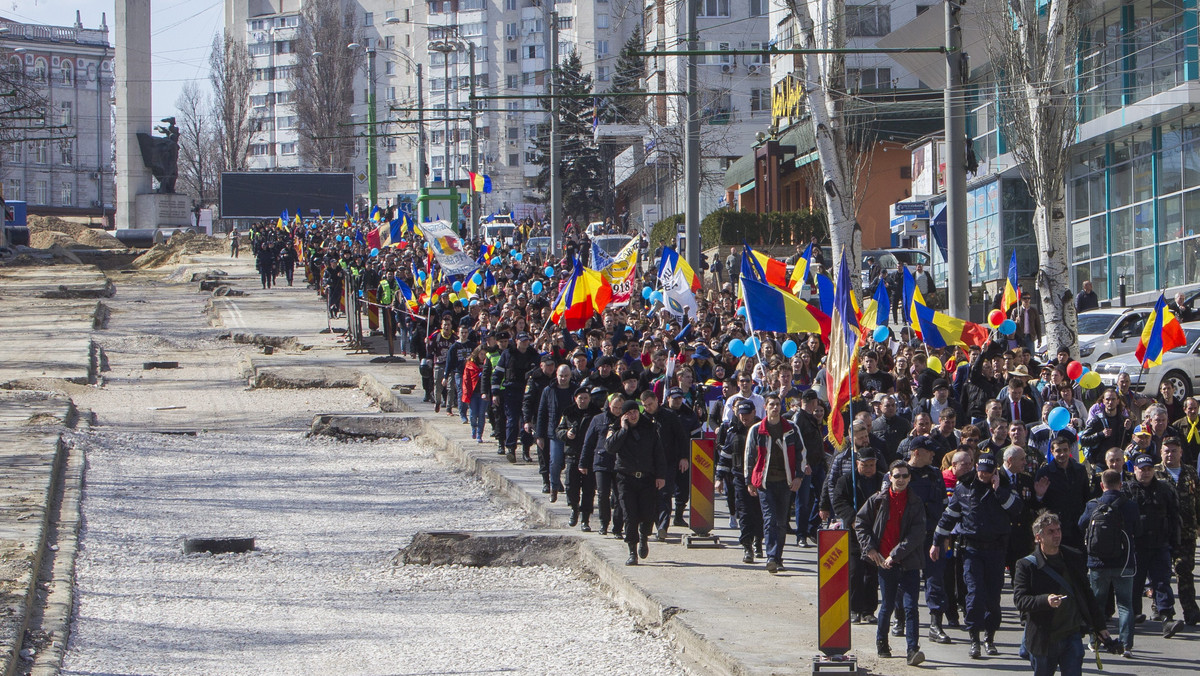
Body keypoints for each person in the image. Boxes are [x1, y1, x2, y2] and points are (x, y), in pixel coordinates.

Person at [932, 453, 1024, 659]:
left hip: (996, 551)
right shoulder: (964, 487)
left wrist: (999, 490)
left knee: (993, 597)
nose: (983, 475)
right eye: (980, 470)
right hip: (971, 550)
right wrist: (936, 542)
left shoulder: (1005, 487)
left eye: (988, 471)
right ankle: (974, 639)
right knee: (974, 595)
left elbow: (1017, 509)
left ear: (995, 471)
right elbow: (949, 517)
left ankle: (989, 638)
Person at [1013, 511, 1118, 675]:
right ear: (1038, 537)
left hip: (1071, 635)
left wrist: (1100, 626)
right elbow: (1020, 600)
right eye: (1051, 532)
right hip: (1043, 638)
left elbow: (1087, 594)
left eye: (1058, 530)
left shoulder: (1073, 556)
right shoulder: (1026, 565)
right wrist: (1045, 600)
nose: (1057, 535)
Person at [855, 459, 927, 666]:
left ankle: (913, 649)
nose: (901, 479)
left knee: (911, 606)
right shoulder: (878, 500)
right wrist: (870, 549)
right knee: (886, 605)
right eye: (897, 476)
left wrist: (895, 554)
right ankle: (882, 643)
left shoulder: (915, 502)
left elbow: (916, 534)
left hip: (908, 562)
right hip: (884, 563)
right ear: (890, 477)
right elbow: (860, 524)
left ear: (910, 478)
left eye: (905, 476)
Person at [1123, 453, 1185, 638]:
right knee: (1135, 584)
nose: (1146, 472)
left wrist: (1175, 544)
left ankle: (1167, 618)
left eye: (1149, 469)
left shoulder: (1164, 489)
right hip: (1137, 546)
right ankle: (1132, 616)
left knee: (1162, 582)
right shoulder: (1127, 491)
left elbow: (1174, 517)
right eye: (1142, 469)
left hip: (1160, 544)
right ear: (1135, 470)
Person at [1079, 469, 1139, 656]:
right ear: (1120, 484)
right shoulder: (1130, 505)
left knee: (1096, 603)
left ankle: (1095, 641)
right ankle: (1126, 644)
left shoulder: (1092, 505)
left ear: (1102, 485)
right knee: (1125, 605)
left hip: (1097, 563)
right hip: (1124, 562)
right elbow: (1139, 528)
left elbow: (1081, 525)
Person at [745, 393, 808, 573]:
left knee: (781, 522)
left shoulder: (791, 429)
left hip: (785, 482)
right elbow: (749, 457)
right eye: (771, 404)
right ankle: (771, 557)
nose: (775, 407)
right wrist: (749, 481)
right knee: (770, 519)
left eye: (777, 404)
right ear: (765, 407)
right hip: (765, 483)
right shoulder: (757, 430)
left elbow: (802, 454)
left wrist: (799, 477)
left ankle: (778, 557)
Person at [606, 399, 669, 565]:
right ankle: (632, 551)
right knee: (629, 515)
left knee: (648, 513)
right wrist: (623, 430)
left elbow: (659, 454)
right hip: (625, 479)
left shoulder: (650, 428)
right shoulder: (616, 428)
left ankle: (644, 536)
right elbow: (610, 448)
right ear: (624, 415)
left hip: (647, 479)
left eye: (635, 411)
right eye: (629, 413)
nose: (633, 415)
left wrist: (661, 476)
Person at [834, 448, 884, 621]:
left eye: (872, 465)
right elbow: (839, 501)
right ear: (857, 464)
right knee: (855, 572)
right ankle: (854, 608)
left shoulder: (882, 480)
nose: (869, 468)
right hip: (855, 532)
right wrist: (852, 519)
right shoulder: (847, 480)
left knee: (872, 572)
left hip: (875, 531)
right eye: (865, 465)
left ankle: (869, 610)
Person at [1155, 436, 1200, 625]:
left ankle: (1190, 611)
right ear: (1161, 452)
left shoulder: (1190, 472)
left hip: (1187, 531)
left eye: (1174, 451)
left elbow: (1197, 500)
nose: (1170, 454)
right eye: (1166, 451)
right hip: (1162, 532)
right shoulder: (1155, 472)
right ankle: (1162, 611)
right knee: (1161, 573)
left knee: (1184, 570)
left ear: (1181, 452)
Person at [717, 399, 764, 563]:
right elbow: (725, 456)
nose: (744, 417)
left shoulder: (762, 430)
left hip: (760, 479)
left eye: (747, 414)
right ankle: (747, 546)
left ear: (754, 413)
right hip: (739, 478)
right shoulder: (733, 431)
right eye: (741, 414)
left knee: (759, 513)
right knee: (744, 513)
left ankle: (758, 541)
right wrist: (719, 478)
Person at [1034, 432, 1091, 550]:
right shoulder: (1044, 473)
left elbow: (1086, 496)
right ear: (1052, 451)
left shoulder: (1079, 470)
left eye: (1065, 450)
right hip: (1055, 527)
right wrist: (1039, 495)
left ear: (1070, 450)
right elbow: (1038, 504)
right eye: (1058, 451)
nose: (1062, 454)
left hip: (1077, 525)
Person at [556, 386, 597, 530]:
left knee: (588, 489)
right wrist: (566, 434)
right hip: (572, 455)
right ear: (575, 399)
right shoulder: (568, 413)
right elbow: (558, 431)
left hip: (589, 457)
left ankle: (585, 519)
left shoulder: (595, 413)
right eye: (581, 398)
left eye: (586, 398)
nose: (583, 401)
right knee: (571, 486)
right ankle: (574, 508)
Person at [537, 364, 576, 503]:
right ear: (556, 375)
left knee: (570, 464)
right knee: (555, 461)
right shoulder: (549, 390)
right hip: (554, 432)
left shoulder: (575, 390)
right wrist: (539, 436)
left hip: (572, 432)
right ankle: (553, 487)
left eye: (566, 376)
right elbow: (542, 413)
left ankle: (571, 491)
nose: (563, 378)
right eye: (561, 376)